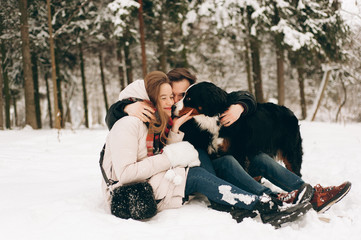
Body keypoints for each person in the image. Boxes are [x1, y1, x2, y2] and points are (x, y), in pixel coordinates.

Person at [105, 68, 351, 214]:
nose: (177, 101)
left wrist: (240, 106)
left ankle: (305, 192)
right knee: (222, 164)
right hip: (194, 169)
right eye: (172, 96)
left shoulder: (195, 108)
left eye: (183, 95)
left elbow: (234, 95)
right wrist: (126, 107)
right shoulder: (150, 113)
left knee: (257, 158)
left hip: (219, 164)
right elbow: (116, 121)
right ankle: (268, 200)